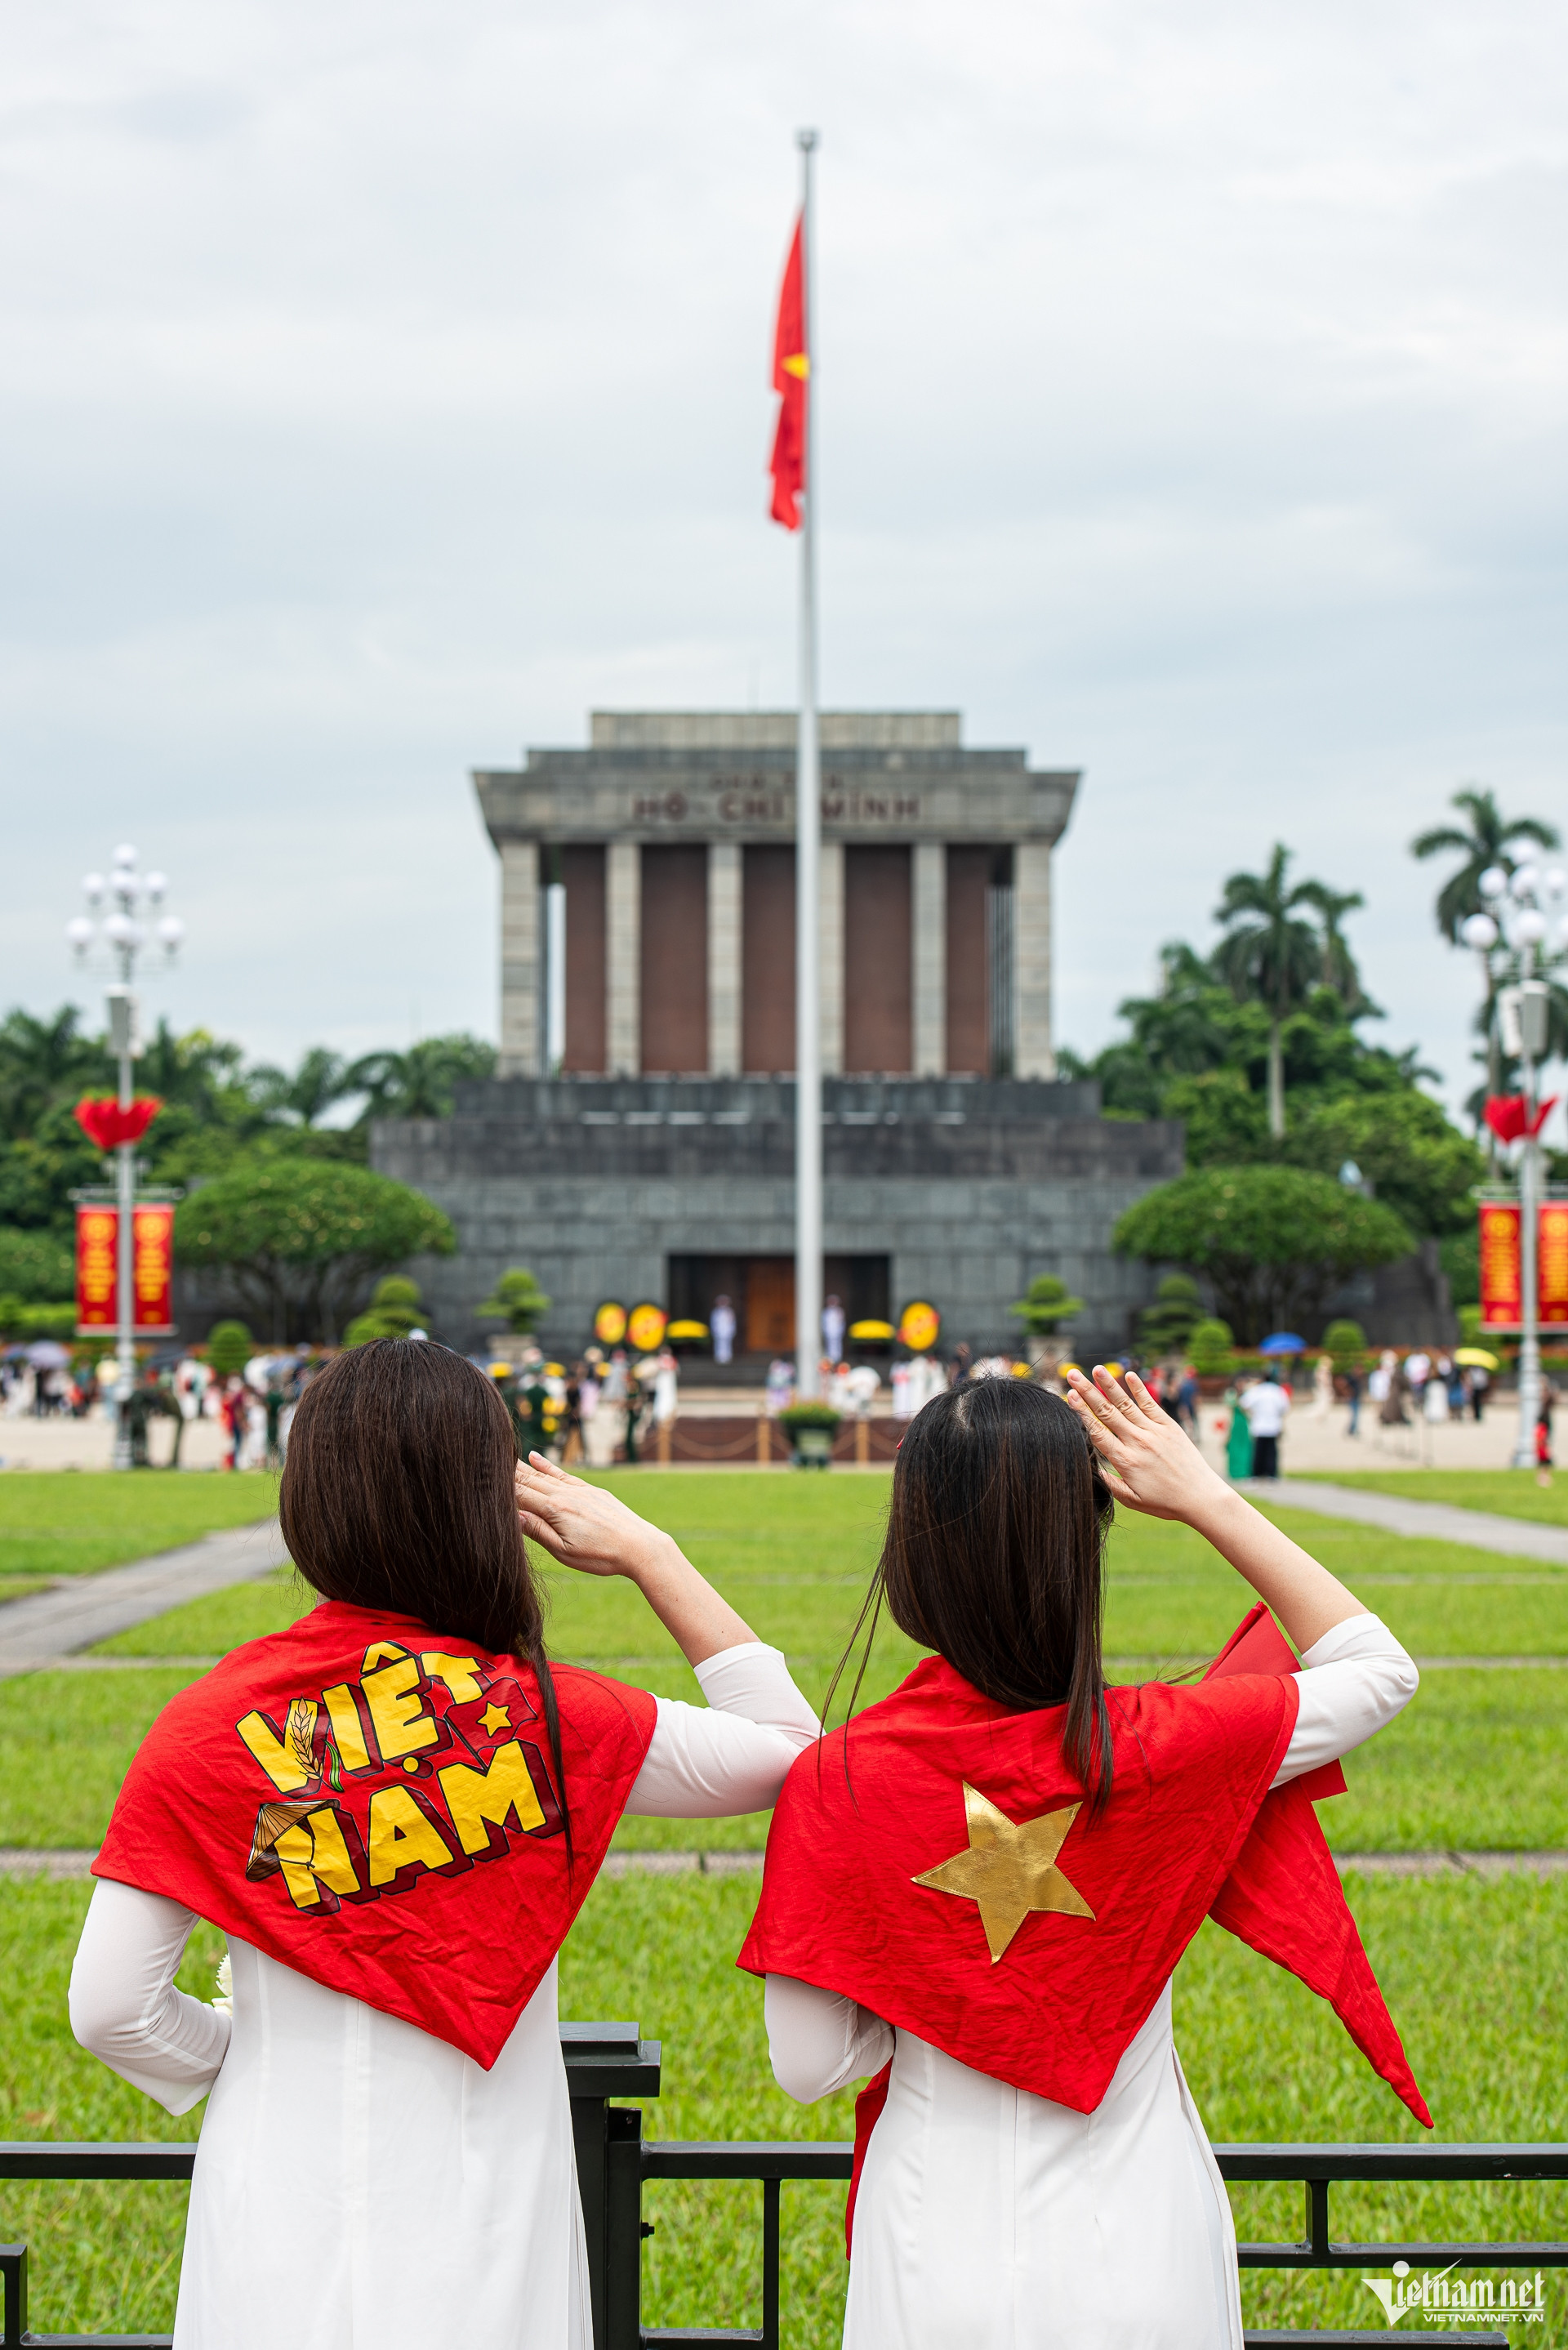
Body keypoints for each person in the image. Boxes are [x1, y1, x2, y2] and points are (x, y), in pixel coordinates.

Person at [68, 1341, 818, 2350]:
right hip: (488, 2204)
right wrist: (651, 1553)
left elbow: (111, 2009)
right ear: (489, 1505)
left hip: (275, 2202)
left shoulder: (208, 1729)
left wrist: (244, 2053)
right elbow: (791, 1754)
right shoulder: (550, 1717)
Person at [740, 1370, 1423, 2350]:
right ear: (1083, 1547)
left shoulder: (838, 1780)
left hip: (934, 2245)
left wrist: (936, 1981)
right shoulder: (1171, 1744)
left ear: (909, 1556)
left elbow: (808, 2066)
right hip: (1143, 2241)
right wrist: (1207, 1497)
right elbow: (1378, 1668)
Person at [1241, 1366, 1290, 1479]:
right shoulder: (1278, 1391)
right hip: (1273, 1424)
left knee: (1259, 1451)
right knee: (1271, 1451)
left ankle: (1257, 1473)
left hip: (1259, 1424)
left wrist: (1252, 1414)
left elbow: (1244, 1403)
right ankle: (1271, 1473)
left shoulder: (1257, 1390)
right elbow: (1285, 1408)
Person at [1223, 1382, 1254, 1480]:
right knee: (1235, 1448)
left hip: (1243, 1425)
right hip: (1236, 1424)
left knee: (1245, 1448)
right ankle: (1235, 1470)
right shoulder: (1232, 1396)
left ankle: (1245, 1470)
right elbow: (1229, 1412)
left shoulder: (1247, 1397)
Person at [710, 1295, 737, 1368]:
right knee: (719, 1344)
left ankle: (727, 1357)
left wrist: (732, 1329)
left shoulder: (730, 1312)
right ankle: (719, 1357)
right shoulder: (716, 1312)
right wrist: (714, 1330)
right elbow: (713, 1322)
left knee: (727, 1344)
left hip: (727, 1330)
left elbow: (732, 1322)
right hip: (718, 1330)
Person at [1537, 1385, 1554, 1488]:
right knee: (1543, 1457)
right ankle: (1542, 1478)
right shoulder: (1543, 1406)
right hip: (1542, 1432)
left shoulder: (1546, 1406)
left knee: (1545, 1456)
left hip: (1544, 1432)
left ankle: (1544, 1478)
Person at [822, 1294, 846, 1363]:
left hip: (837, 1332)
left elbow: (841, 1322)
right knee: (829, 1346)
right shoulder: (826, 1312)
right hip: (828, 1332)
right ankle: (830, 1359)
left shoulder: (839, 1311)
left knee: (837, 1346)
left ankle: (837, 1359)